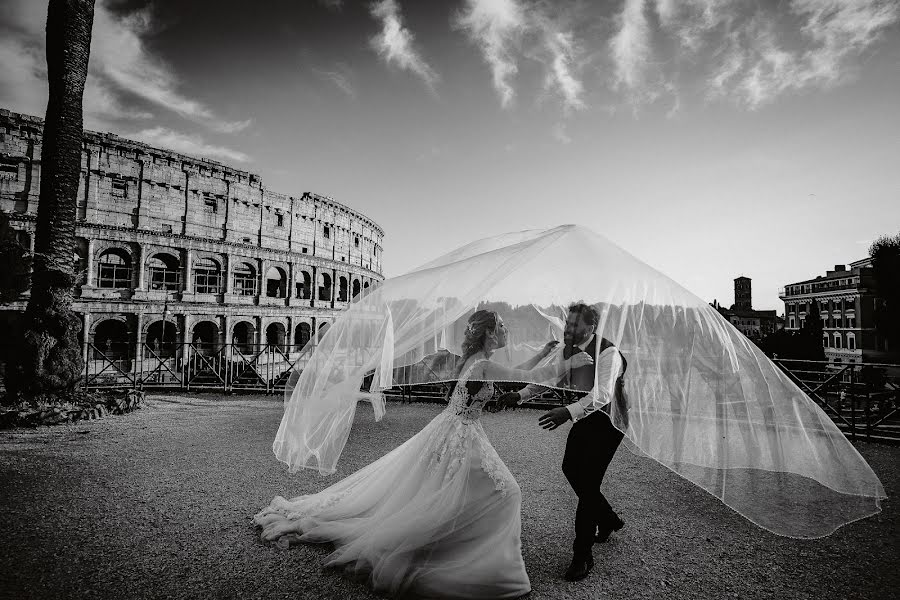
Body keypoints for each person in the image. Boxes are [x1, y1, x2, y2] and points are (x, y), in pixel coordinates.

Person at [254, 309, 592, 599]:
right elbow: (528, 377)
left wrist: (546, 353)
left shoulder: (478, 361)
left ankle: (472, 547)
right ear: (489, 333)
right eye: (502, 326)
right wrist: (568, 360)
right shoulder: (484, 366)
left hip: (455, 429)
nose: (506, 330)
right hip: (460, 434)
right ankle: (481, 562)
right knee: (506, 492)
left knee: (453, 492)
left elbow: (518, 372)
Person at [496, 302, 627, 582]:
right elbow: (549, 380)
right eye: (567, 324)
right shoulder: (565, 350)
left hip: (609, 422)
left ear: (589, 328)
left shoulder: (609, 352)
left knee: (588, 483)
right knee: (571, 470)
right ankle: (607, 519)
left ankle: (583, 555)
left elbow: (603, 394)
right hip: (582, 418)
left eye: (573, 325)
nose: (567, 329)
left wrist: (567, 412)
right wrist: (519, 396)